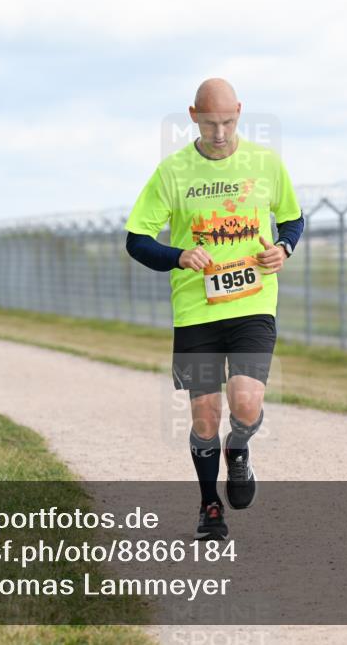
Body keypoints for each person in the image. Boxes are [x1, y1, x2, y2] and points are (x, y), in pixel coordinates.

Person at [125, 79, 304, 540]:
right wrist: (178, 255)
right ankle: (209, 506)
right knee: (204, 417)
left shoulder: (265, 163)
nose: (220, 132)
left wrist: (284, 247)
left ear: (240, 113)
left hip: (253, 305)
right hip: (196, 312)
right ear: (192, 116)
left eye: (228, 121)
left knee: (244, 404)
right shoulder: (172, 172)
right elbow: (137, 241)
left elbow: (292, 218)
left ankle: (239, 448)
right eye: (209, 123)